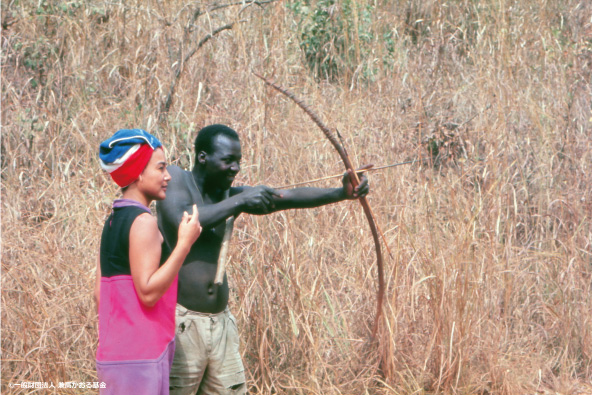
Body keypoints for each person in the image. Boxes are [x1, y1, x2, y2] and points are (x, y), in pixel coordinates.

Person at [156, 124, 369, 394]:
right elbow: (182, 221)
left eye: (238, 162)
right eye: (227, 161)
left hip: (221, 324)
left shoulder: (228, 195)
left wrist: (340, 193)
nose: (235, 168)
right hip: (181, 323)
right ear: (202, 157)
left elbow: (286, 197)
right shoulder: (176, 178)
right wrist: (241, 201)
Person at [94, 129, 202, 394]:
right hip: (141, 357)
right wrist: (184, 244)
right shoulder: (143, 223)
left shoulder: (111, 222)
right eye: (161, 168)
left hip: (112, 357)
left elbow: (99, 295)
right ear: (138, 173)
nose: (168, 176)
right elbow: (148, 293)